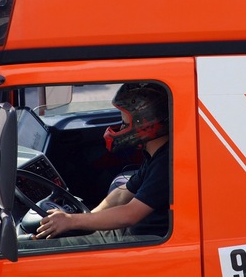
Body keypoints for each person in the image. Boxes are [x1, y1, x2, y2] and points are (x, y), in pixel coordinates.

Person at [31, 82, 170, 245]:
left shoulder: (166, 165)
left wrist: (71, 221)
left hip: (140, 241)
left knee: (39, 247)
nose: (120, 128)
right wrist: (85, 219)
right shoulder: (156, 156)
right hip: (130, 233)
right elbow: (121, 195)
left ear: (144, 124)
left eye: (125, 123)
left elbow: (130, 214)